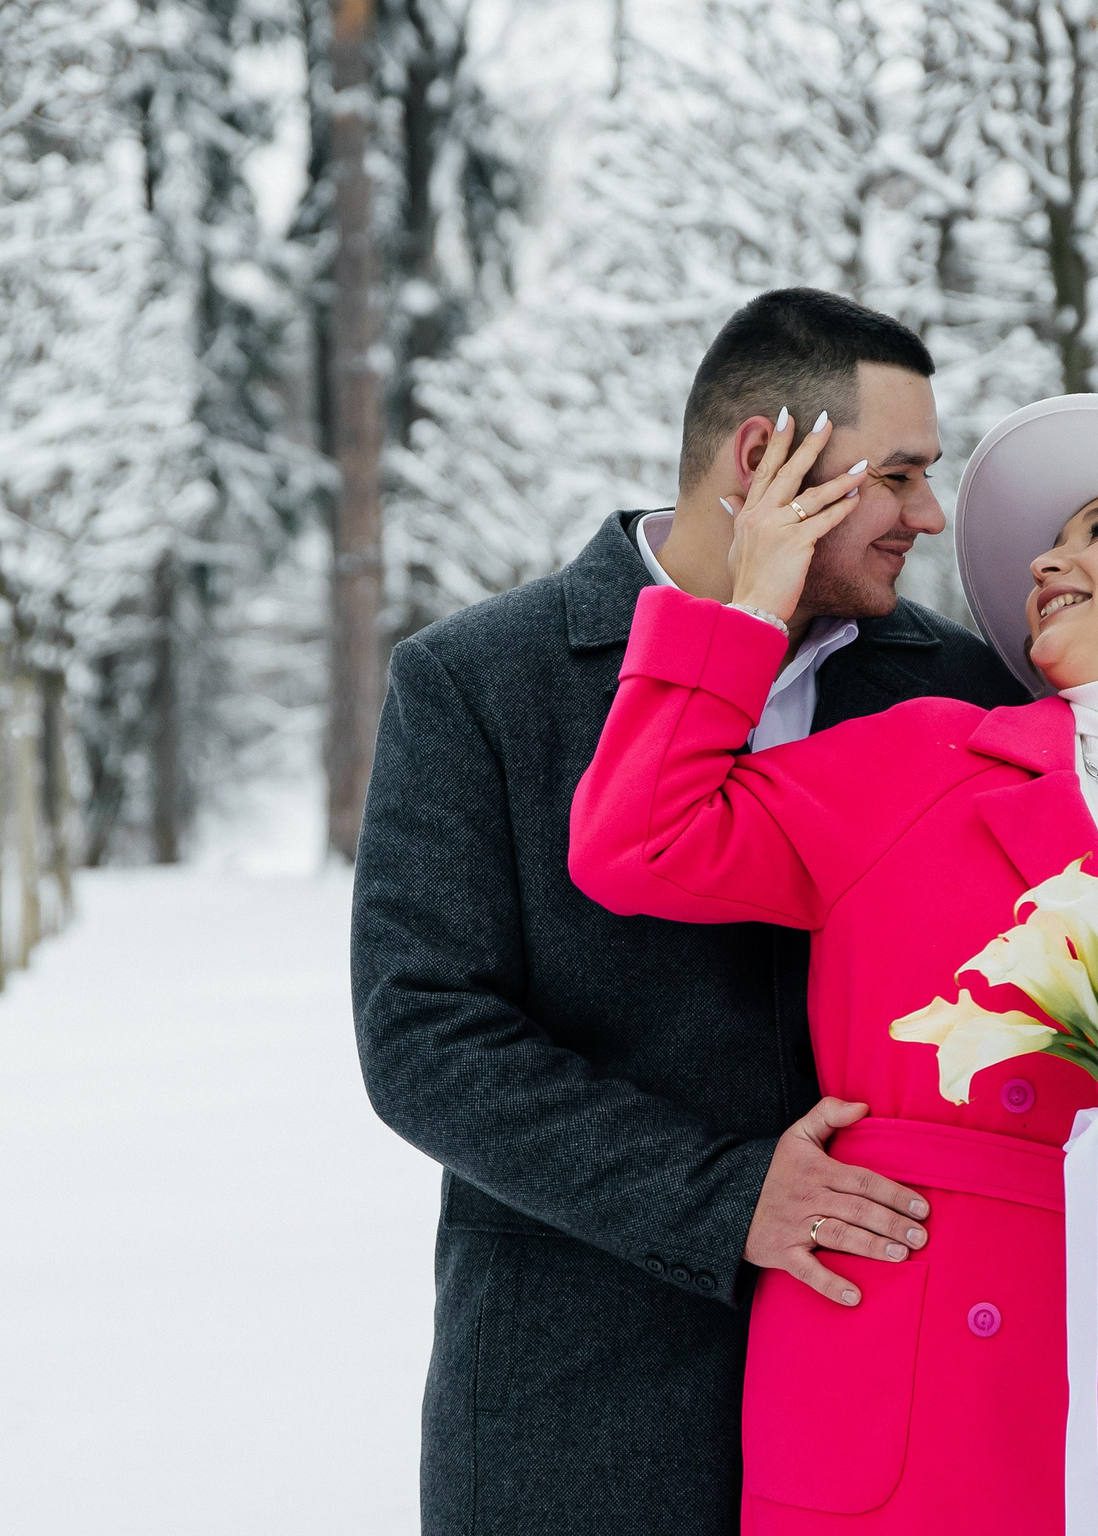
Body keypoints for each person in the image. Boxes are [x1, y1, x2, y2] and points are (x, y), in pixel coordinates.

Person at [568, 392, 1098, 1535]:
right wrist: (748, 603)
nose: (1046, 560)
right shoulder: (922, 763)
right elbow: (636, 839)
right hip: (899, 1402)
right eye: (1050, 542)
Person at [349, 289, 1030, 1536]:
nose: (928, 515)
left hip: (897, 1389)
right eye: (897, 475)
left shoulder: (966, 690)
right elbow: (424, 1038)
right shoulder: (474, 681)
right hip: (580, 1406)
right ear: (761, 458)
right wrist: (723, 1194)